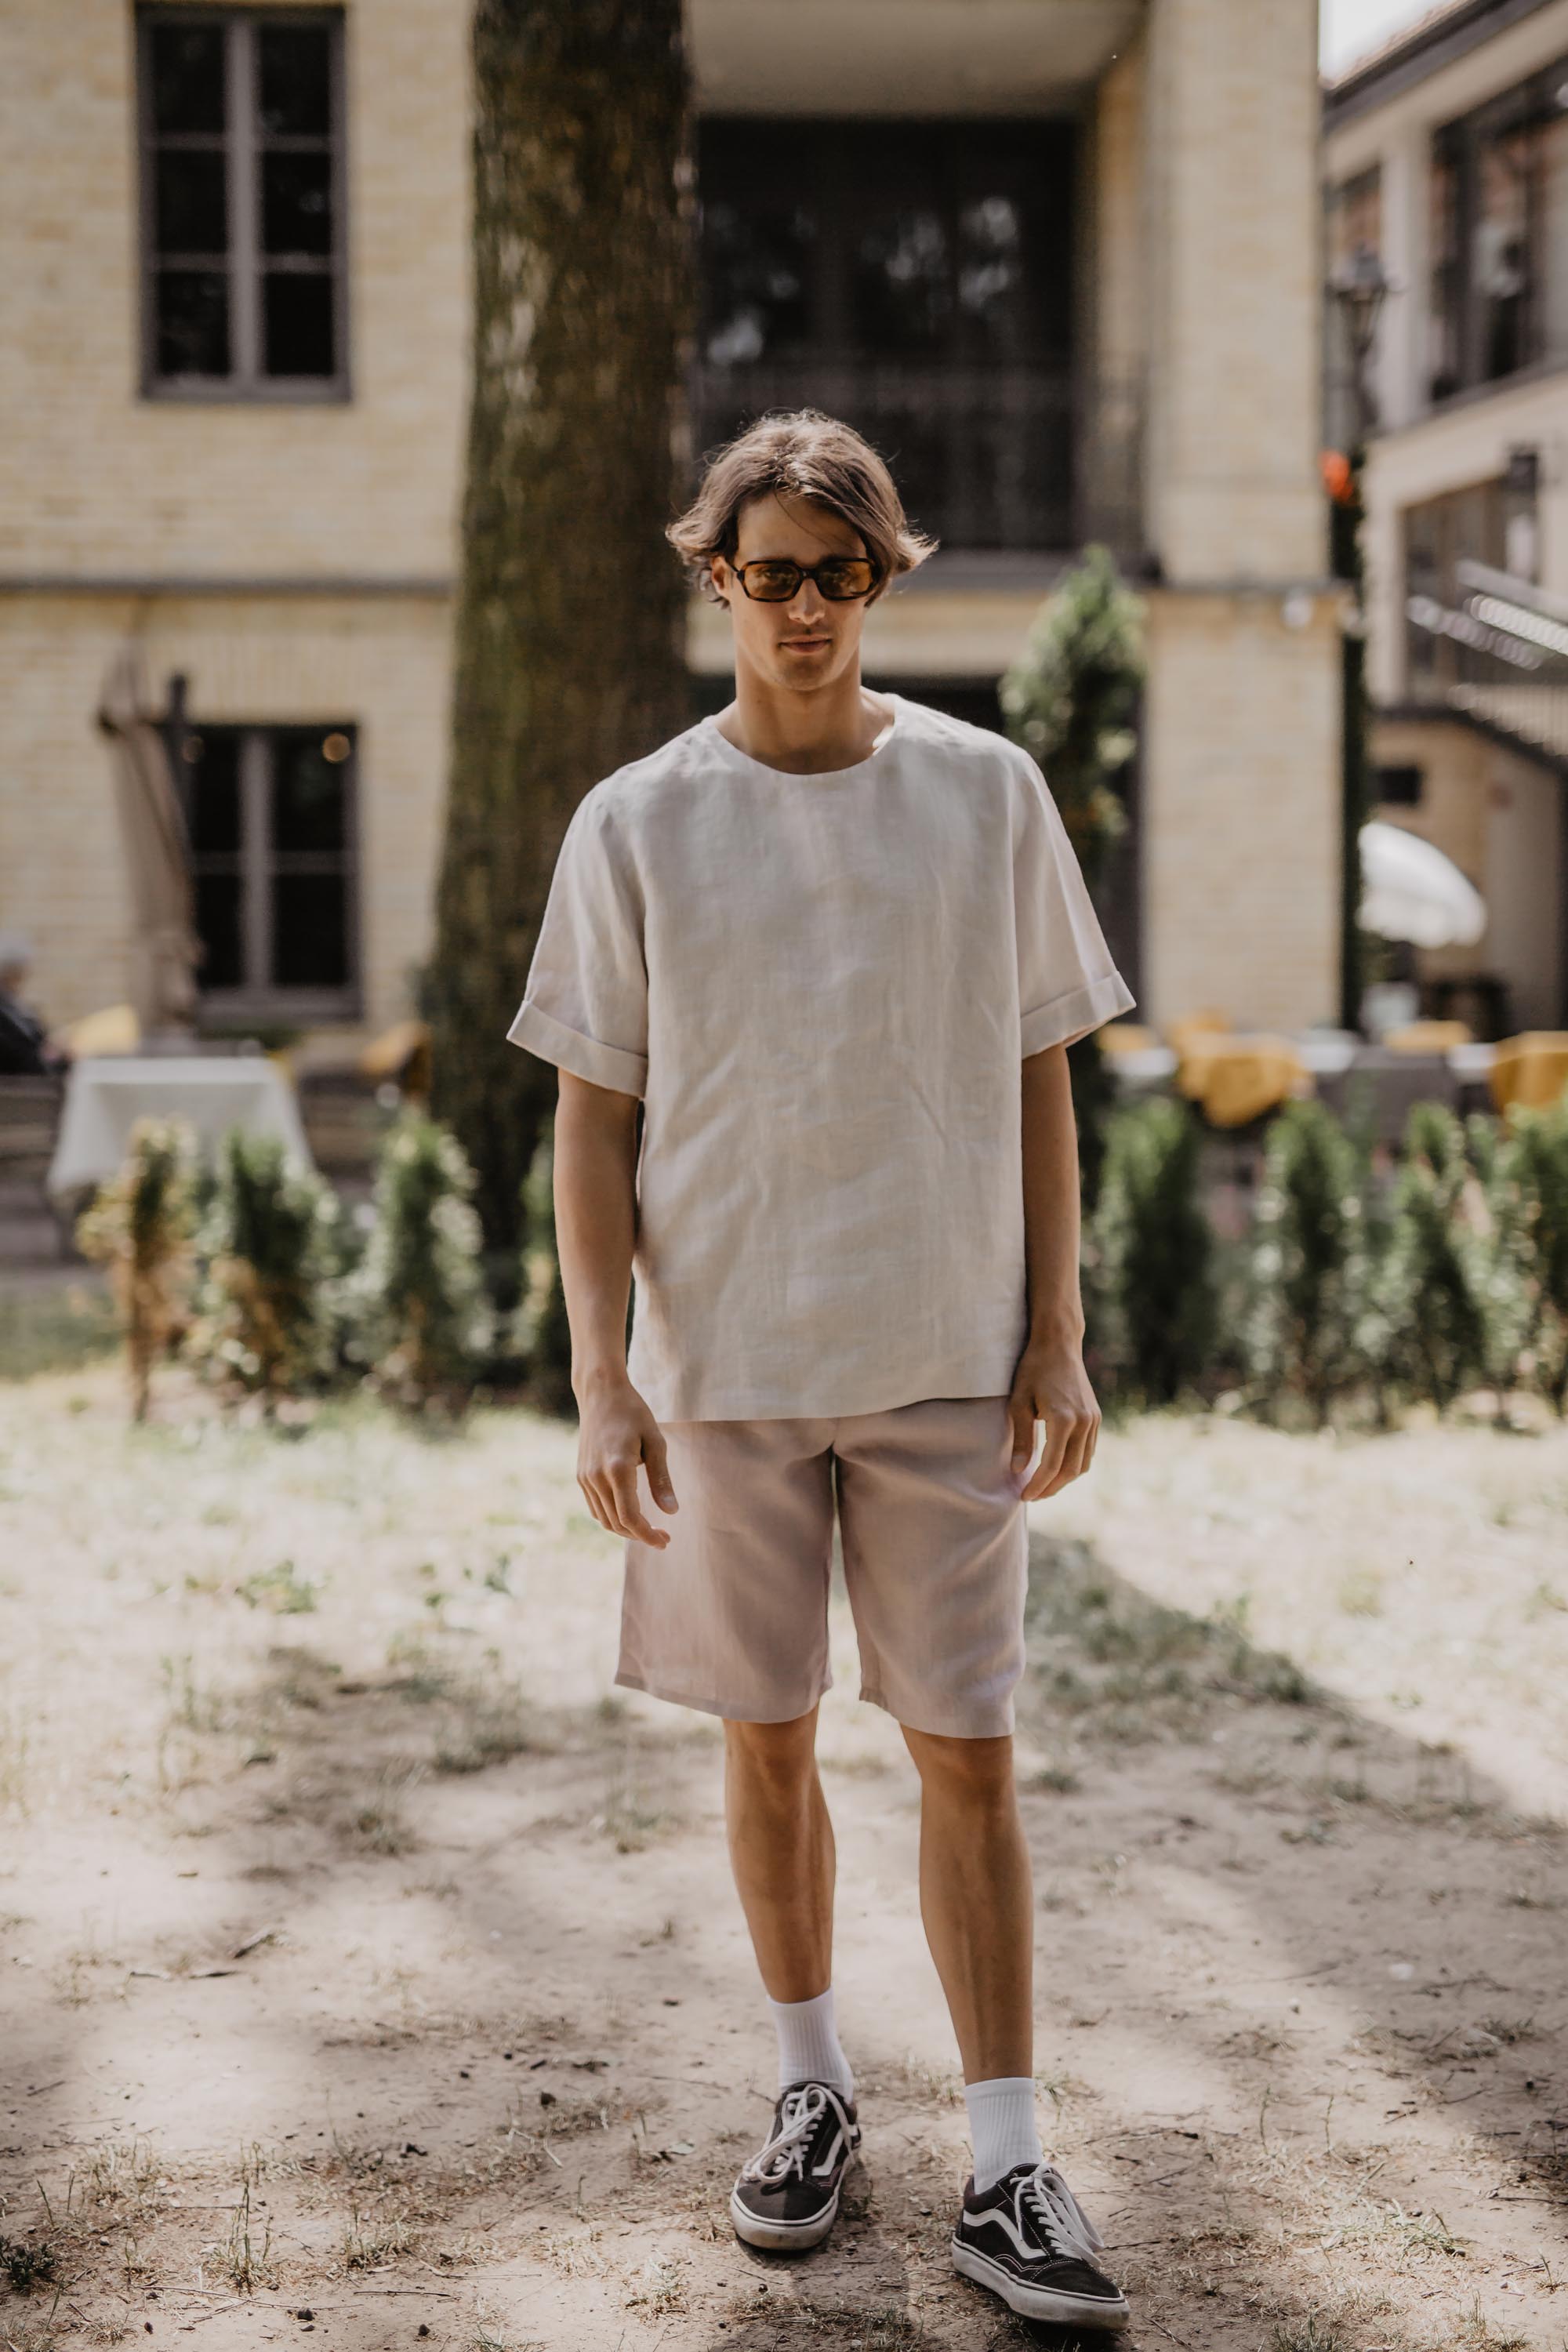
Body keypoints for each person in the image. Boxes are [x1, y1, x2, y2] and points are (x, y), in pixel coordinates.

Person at [507, 411, 1136, 2331]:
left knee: (968, 1745)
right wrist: (603, 1377)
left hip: (944, 1349)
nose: (801, 607)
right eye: (768, 572)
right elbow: (590, 1122)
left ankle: (1010, 2159)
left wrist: (1055, 1327)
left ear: (883, 581)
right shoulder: (635, 820)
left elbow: (1040, 1066)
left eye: (837, 574)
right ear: (715, 578)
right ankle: (808, 2091)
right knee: (762, 1731)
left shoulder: (983, 790)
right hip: (725, 1363)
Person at [0, 936, 67, 1077]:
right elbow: (20, 1054)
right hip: (22, 1088)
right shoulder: (7, 1011)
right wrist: (50, 1056)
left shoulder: (15, 1007)